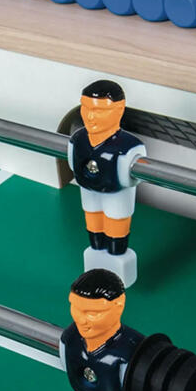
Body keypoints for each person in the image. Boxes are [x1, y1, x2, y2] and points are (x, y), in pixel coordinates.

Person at [67, 79, 145, 286]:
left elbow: (134, 175)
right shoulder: (77, 140)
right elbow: (72, 164)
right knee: (93, 223)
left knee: (116, 222)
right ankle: (97, 249)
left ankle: (117, 253)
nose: (90, 116)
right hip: (89, 192)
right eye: (86, 108)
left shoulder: (130, 148)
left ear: (119, 110)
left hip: (117, 195)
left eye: (99, 110)